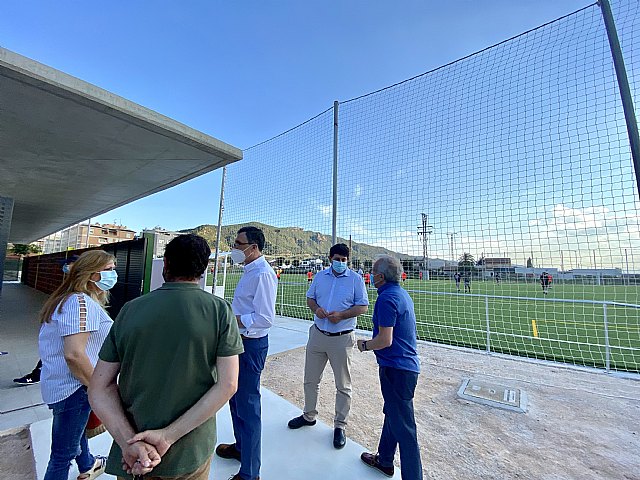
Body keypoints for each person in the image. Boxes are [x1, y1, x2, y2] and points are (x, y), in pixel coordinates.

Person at [89, 234, 243, 480]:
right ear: (203, 269)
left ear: (167, 264)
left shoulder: (130, 310)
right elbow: (228, 384)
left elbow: (99, 387)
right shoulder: (219, 310)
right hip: (190, 451)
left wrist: (129, 443)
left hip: (133, 456)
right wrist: (168, 436)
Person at [38, 250, 116, 480]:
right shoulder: (80, 303)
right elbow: (74, 354)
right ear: (92, 275)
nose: (114, 274)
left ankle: (87, 464)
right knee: (62, 456)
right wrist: (97, 387)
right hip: (75, 388)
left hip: (68, 386)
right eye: (109, 270)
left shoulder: (74, 300)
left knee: (75, 433)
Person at [287, 243, 369, 449]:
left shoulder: (355, 279)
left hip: (342, 338)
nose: (340, 262)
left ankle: (340, 426)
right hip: (317, 334)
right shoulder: (320, 277)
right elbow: (310, 298)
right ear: (330, 258)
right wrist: (317, 309)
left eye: (344, 260)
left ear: (347, 261)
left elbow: (363, 306)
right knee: (310, 380)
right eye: (337, 259)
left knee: (343, 385)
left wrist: (341, 315)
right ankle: (309, 415)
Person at [215, 226, 277, 480]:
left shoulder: (262, 274)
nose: (235, 248)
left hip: (251, 346)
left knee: (249, 404)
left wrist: (231, 320)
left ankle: (251, 472)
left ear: (253, 248)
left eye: (239, 244)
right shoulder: (249, 270)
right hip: (239, 342)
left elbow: (264, 318)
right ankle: (241, 447)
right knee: (234, 396)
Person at [356, 255, 423, 479]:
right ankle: (384, 460)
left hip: (396, 370)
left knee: (405, 430)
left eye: (372, 271)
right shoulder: (400, 294)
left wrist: (364, 345)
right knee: (393, 413)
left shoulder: (386, 299)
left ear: (380, 276)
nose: (370, 275)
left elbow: (385, 340)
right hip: (404, 368)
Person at [15, 255, 80, 386]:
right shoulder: (68, 284)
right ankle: (37, 374)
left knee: (57, 351)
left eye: (69, 264)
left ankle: (37, 374)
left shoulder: (78, 290)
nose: (65, 267)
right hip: (59, 329)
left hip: (67, 329)